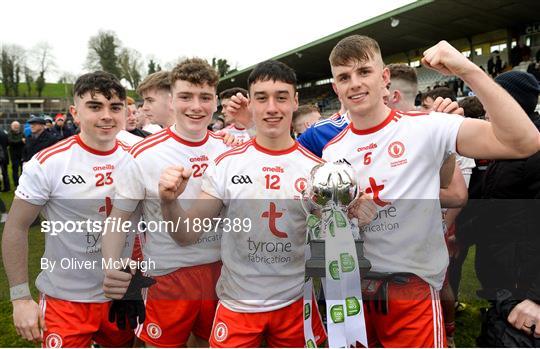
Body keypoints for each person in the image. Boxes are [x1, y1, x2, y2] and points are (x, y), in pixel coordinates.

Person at [321, 35, 539, 348]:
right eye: (344, 77)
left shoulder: (427, 126)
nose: (354, 83)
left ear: (384, 78)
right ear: (336, 89)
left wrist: (466, 69)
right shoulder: (332, 151)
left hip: (412, 291)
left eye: (364, 72)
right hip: (354, 291)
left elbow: (524, 142)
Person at [157, 60, 337, 347]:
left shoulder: (317, 170)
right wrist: (169, 203)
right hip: (237, 307)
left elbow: (335, 241)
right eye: (262, 98)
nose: (272, 108)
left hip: (295, 306)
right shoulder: (226, 164)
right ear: (251, 104)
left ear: (295, 100)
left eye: (281, 97)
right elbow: (186, 234)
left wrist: (353, 210)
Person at [1, 71, 136, 347]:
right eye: (95, 106)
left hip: (123, 294)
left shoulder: (141, 153)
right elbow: (16, 227)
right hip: (67, 299)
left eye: (115, 107)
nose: (107, 115)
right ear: (75, 112)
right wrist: (20, 298)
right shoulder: (48, 163)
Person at [102, 58, 230, 347]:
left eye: (205, 97)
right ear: (172, 100)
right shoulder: (143, 154)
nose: (196, 106)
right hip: (167, 275)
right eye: (186, 96)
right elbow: (119, 219)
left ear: (216, 101)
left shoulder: (228, 150)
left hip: (222, 271)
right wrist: (111, 266)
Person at [474, 71, 540, 345]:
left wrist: (536, 297)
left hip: (524, 290)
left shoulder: (535, 150)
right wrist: (462, 235)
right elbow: (494, 206)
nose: (485, 108)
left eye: (490, 98)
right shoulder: (510, 144)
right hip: (505, 285)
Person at [8, 121, 25, 188]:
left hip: (22, 154)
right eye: (14, 126)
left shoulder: (22, 133)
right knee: (15, 170)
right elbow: (11, 142)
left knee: (23, 170)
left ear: (19, 126)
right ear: (11, 126)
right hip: (13, 155)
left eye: (17, 126)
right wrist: (21, 141)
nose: (16, 127)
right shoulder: (9, 134)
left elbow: (25, 142)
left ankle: (22, 183)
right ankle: (16, 184)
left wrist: (19, 141)